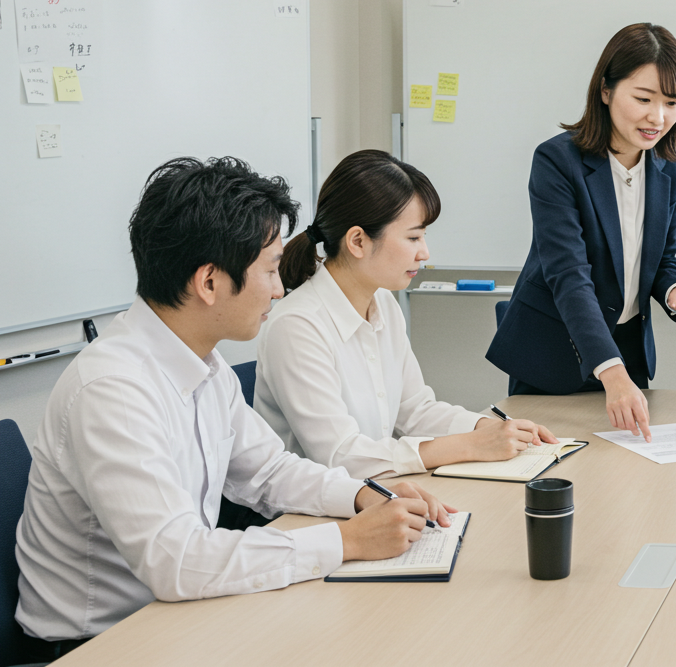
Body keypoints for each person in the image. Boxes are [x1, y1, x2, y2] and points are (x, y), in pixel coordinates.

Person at [15, 157, 454, 660]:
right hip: (101, 642)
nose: (280, 287)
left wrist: (363, 495)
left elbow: (268, 471)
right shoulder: (112, 389)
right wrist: (347, 542)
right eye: (269, 269)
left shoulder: (204, 363)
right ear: (209, 283)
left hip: (178, 613)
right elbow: (174, 559)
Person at [255, 150, 556, 481]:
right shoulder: (297, 325)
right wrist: (471, 445)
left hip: (377, 494)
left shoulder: (383, 303)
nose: (424, 252)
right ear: (357, 241)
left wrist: (493, 428)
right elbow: (340, 457)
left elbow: (415, 411)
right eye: (413, 236)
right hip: (313, 516)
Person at [486, 23, 676, 442]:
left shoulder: (670, 167)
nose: (659, 117)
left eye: (672, 102)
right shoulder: (558, 161)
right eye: (644, 99)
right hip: (553, 353)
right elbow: (569, 275)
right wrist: (611, 371)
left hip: (627, 354)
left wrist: (671, 289)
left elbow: (662, 257)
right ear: (606, 91)